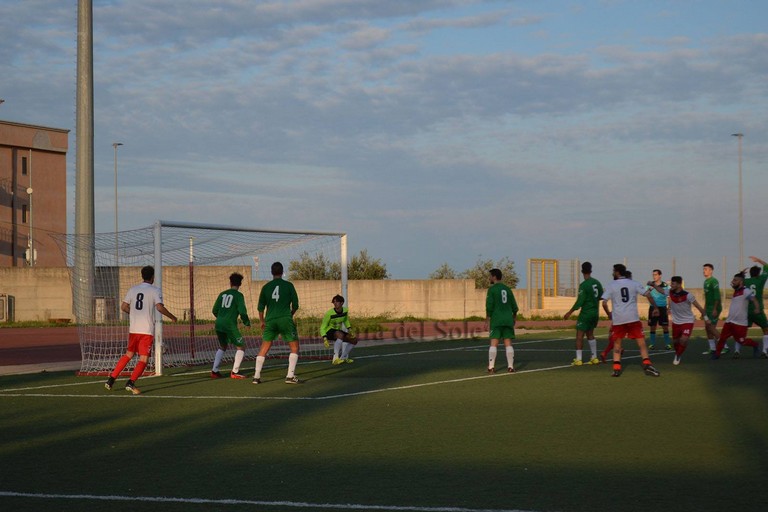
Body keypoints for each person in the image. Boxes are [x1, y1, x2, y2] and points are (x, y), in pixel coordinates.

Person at [105, 266, 178, 394]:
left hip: (133, 329)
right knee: (143, 359)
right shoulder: (155, 290)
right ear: (152, 277)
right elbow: (160, 308)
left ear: (142, 276)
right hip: (146, 330)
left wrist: (132, 312)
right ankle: (131, 383)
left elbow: (123, 307)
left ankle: (111, 379)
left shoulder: (133, 289)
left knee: (129, 355)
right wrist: (172, 317)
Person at [601, 264, 660, 377]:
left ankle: (616, 369)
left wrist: (609, 314)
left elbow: (604, 302)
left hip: (618, 319)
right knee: (641, 343)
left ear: (617, 272)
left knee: (617, 344)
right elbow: (648, 294)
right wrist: (656, 307)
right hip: (632, 318)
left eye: (613, 271)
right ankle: (647, 365)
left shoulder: (611, 285)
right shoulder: (634, 283)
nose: (612, 273)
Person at [253, 262, 301, 384]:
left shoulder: (266, 287)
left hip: (270, 320)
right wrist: (290, 314)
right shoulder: (289, 285)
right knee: (294, 347)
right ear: (282, 271)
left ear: (271, 272)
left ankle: (256, 376)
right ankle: (290, 376)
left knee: (264, 348)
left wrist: (262, 321)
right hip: (285, 318)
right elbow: (295, 305)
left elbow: (260, 307)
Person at [211, 272, 251, 379]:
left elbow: (214, 310)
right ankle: (235, 372)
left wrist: (221, 317)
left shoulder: (222, 294)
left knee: (223, 346)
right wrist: (246, 323)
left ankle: (214, 371)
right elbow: (242, 311)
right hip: (229, 324)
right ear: (240, 284)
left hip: (219, 323)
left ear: (230, 283)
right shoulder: (239, 295)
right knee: (241, 347)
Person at [713, 272, 761, 359]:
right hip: (729, 321)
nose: (733, 281)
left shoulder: (745, 291)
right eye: (733, 280)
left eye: (735, 280)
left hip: (740, 323)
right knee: (722, 338)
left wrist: (757, 308)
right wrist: (741, 273)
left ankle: (755, 345)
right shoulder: (736, 291)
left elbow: (754, 300)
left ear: (741, 282)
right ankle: (717, 354)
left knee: (742, 341)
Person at [563, 261, 603, 365]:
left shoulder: (584, 285)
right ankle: (594, 357)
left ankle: (579, 359)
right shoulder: (597, 283)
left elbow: (579, 302)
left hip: (586, 313)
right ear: (591, 270)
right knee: (590, 334)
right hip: (595, 313)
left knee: (579, 335)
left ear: (582, 271)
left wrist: (569, 312)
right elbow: (601, 296)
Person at [668, 276, 709, 365]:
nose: (671, 285)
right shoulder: (670, 292)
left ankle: (678, 355)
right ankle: (678, 351)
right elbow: (660, 290)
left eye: (673, 283)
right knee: (675, 341)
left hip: (688, 321)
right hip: (676, 322)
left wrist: (706, 318)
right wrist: (653, 285)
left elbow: (699, 307)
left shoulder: (688, 295)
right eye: (671, 283)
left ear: (679, 284)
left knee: (683, 339)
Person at [485, 268, 519, 373]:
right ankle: (510, 367)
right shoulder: (508, 289)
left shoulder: (492, 289)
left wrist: (487, 319)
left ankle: (491, 367)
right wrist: (513, 318)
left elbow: (489, 306)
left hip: (497, 319)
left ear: (494, 277)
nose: (489, 278)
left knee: (494, 342)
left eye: (490, 276)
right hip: (508, 319)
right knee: (508, 343)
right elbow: (514, 307)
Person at [320, 294, 357, 364]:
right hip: (329, 331)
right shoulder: (329, 313)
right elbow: (323, 327)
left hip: (338, 332)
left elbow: (346, 320)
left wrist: (350, 329)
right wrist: (324, 338)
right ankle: (335, 359)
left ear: (342, 303)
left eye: (336, 302)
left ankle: (343, 357)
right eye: (334, 302)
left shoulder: (345, 310)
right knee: (340, 334)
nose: (335, 303)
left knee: (354, 340)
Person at [744, 256, 768, 358]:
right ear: (758, 273)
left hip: (747, 310)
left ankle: (737, 350)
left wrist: (741, 272)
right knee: (766, 329)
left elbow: (735, 281)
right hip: (758, 310)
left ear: (750, 273)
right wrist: (758, 260)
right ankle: (764, 350)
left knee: (742, 331)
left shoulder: (745, 281)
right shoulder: (761, 279)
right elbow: (767, 266)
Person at [702, 263, 725, 355]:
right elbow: (707, 297)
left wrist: (715, 309)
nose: (704, 271)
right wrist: (704, 310)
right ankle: (712, 348)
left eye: (706, 269)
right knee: (707, 328)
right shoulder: (705, 282)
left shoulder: (714, 281)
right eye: (703, 269)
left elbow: (717, 297)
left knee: (711, 327)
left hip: (714, 308)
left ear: (711, 271)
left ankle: (724, 346)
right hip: (708, 308)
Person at [646, 269, 671, 350]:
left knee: (665, 326)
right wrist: (649, 290)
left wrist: (669, 308)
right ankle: (652, 344)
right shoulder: (650, 285)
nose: (654, 276)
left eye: (656, 274)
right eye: (653, 275)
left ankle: (667, 344)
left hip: (663, 308)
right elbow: (646, 294)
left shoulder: (665, 285)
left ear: (660, 275)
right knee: (652, 326)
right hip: (653, 308)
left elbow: (669, 296)